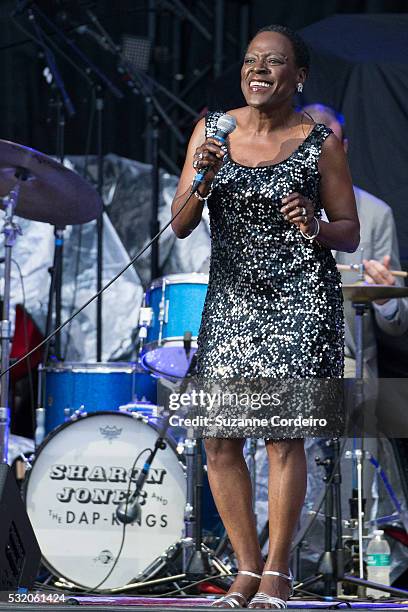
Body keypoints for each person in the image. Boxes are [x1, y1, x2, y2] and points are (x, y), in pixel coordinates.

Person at [171, 25, 359, 609]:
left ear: (297, 77)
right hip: (232, 298)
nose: (259, 69)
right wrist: (203, 174)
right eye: (251, 60)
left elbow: (349, 232)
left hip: (300, 297)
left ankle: (278, 571)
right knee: (219, 438)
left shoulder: (319, 141)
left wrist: (315, 223)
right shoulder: (213, 132)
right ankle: (246, 568)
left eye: (273, 62)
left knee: (281, 437)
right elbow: (179, 223)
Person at [301, 104, 408, 378]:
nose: (318, 155)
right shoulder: (272, 204)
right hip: (279, 356)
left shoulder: (375, 213)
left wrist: (385, 298)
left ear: (343, 148)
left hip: (348, 361)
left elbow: (398, 323)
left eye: (328, 145)